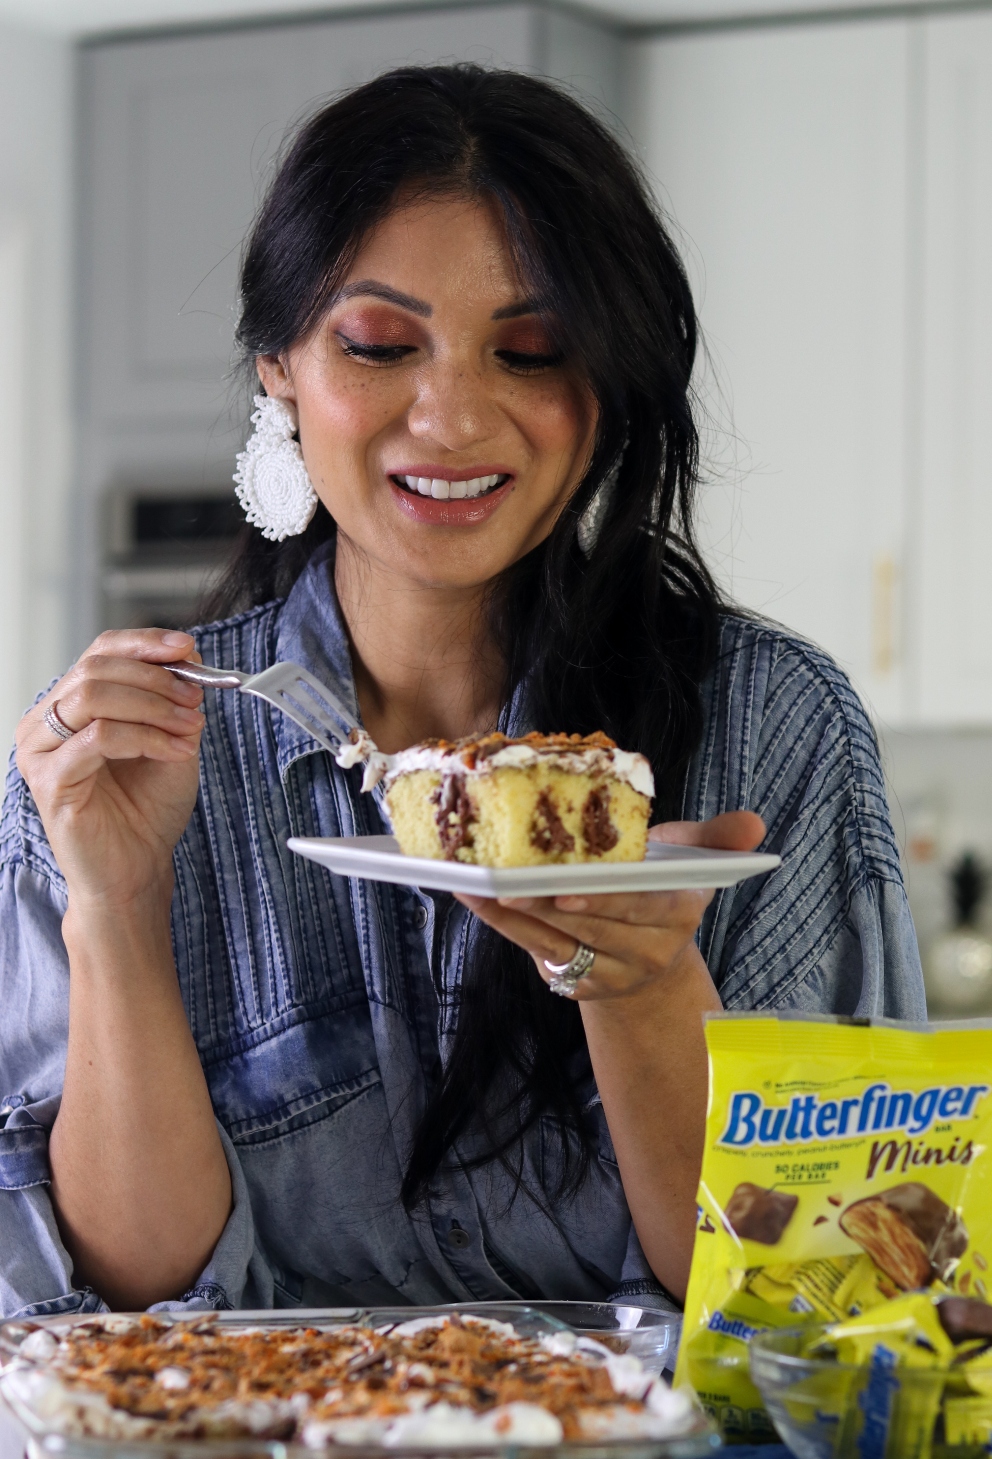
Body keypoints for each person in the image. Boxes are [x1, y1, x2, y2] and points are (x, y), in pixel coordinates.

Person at [0, 66, 924, 1322]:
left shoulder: (772, 731)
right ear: (277, 365)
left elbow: (831, 1300)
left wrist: (649, 985)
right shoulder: (134, 757)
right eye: (380, 346)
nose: (451, 415)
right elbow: (128, 1291)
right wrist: (116, 903)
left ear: (606, 388)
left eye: (530, 350)